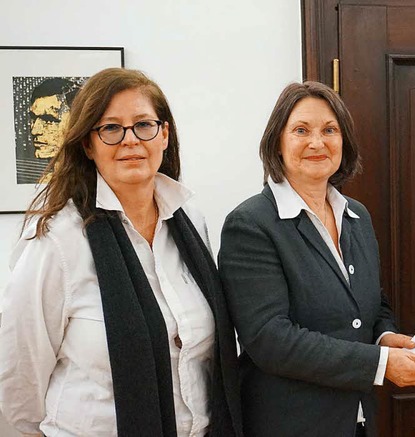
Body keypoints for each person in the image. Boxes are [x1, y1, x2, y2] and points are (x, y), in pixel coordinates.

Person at [0, 68, 242, 437]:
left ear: (164, 135)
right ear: (88, 144)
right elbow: (18, 379)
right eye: (110, 128)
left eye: (143, 124)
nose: (130, 140)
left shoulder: (189, 221)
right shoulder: (57, 240)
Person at [218, 81, 415, 437]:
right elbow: (270, 340)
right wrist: (380, 363)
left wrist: (384, 336)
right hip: (290, 424)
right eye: (301, 130)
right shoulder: (250, 225)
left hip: (358, 419)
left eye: (330, 130)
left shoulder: (356, 215)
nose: (317, 142)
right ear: (278, 141)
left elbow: (371, 302)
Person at [16, 78, 81, 184]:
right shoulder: (45, 182)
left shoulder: (92, 182)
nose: (34, 130)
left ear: (77, 124)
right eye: (33, 118)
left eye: (48, 119)